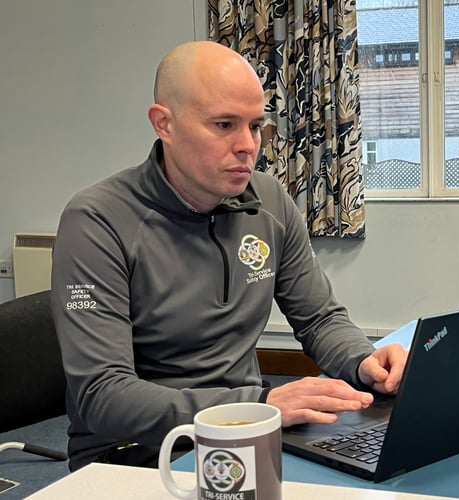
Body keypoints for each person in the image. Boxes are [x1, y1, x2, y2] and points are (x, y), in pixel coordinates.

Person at [50, 40, 407, 471]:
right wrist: (257, 405)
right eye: (223, 124)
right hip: (138, 453)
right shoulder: (96, 220)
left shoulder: (270, 201)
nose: (247, 145)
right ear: (164, 123)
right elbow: (103, 396)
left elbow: (319, 318)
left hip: (252, 431)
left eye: (255, 126)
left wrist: (362, 360)